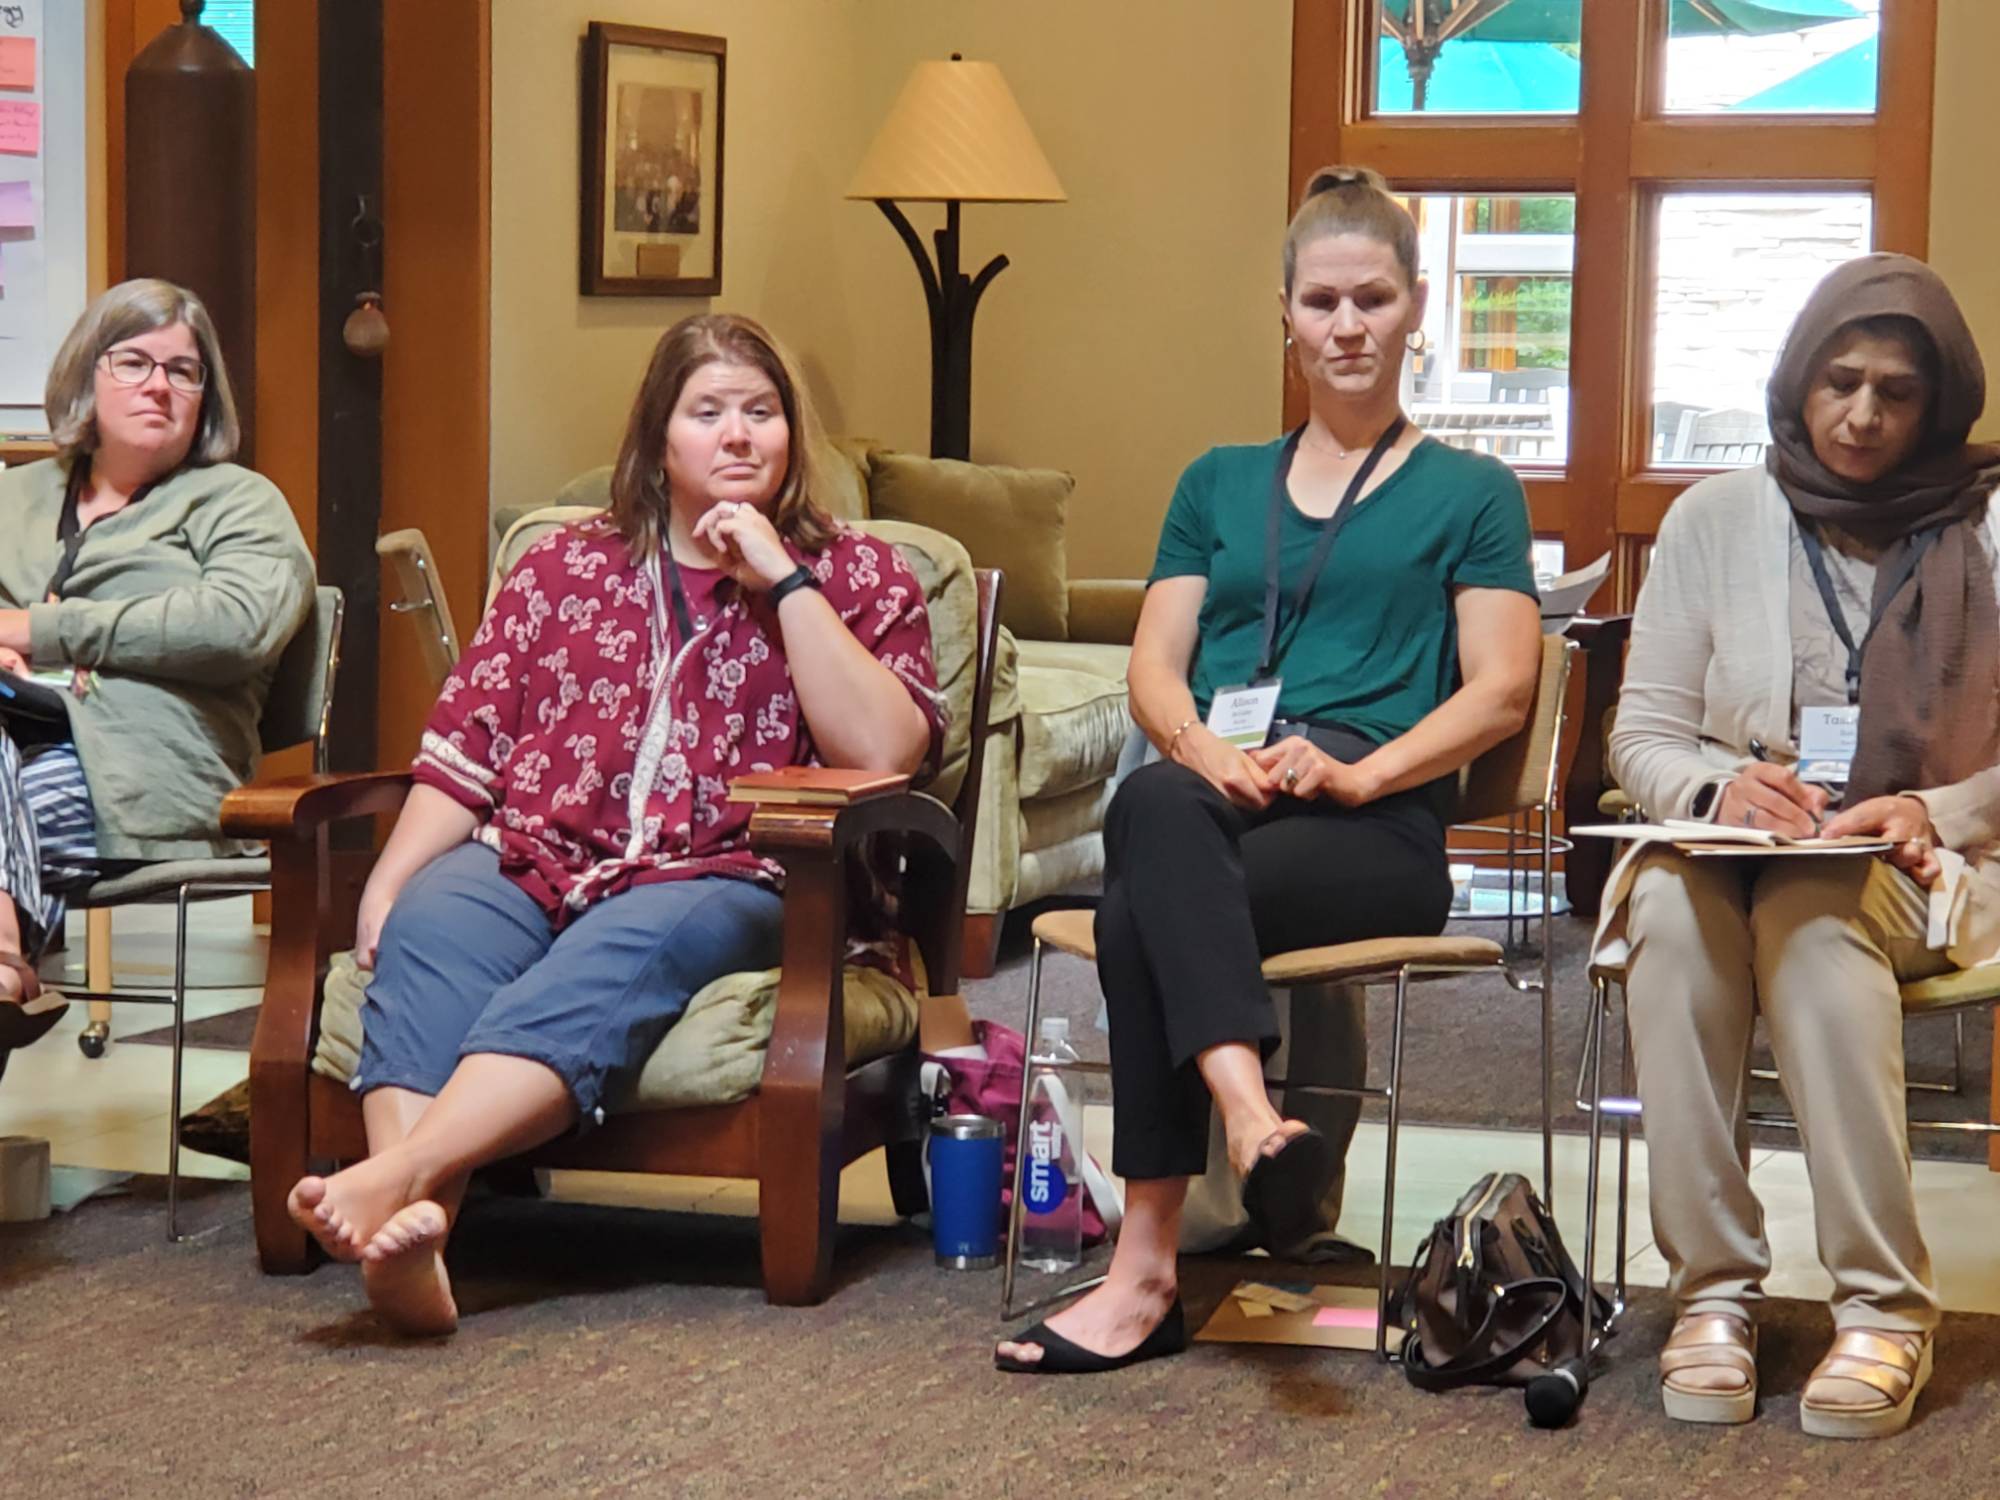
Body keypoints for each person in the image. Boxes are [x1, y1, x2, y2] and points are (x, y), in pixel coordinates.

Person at [286, 313, 946, 1336]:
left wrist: (781, 578)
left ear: (792, 433)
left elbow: (884, 750)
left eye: (761, 412)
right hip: (535, 854)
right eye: (708, 412)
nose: (738, 435)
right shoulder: (562, 569)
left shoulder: (859, 574)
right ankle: (416, 1246)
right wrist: (390, 879)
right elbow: (465, 745)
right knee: (431, 924)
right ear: (657, 437)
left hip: (736, 874)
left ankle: (399, 1177)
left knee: (620, 950)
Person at [996, 166, 1541, 1374]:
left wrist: (1359, 775)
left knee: (1140, 900)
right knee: (1158, 804)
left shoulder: (1472, 493)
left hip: (1374, 828)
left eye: (1372, 299)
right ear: (1282, 315)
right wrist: (1202, 746)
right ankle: (1250, 1119)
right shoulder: (1215, 482)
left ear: (1415, 308)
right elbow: (1154, 666)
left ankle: (1145, 1271)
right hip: (1215, 797)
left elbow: (1501, 690)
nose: (1346, 326)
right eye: (1321, 301)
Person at [1598, 253, 2000, 1438]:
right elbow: (1642, 734)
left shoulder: (1989, 525)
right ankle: (1710, 1291)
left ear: (1938, 404)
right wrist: (1720, 789)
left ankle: (1883, 1306)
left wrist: (1934, 811)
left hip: (1932, 870)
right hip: (1731, 859)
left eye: (1894, 393)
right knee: (1663, 905)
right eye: (1838, 383)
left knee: (1810, 916)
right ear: (1794, 383)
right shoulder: (1713, 519)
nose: (1861, 415)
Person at [0, 279, 312, 1081]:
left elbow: (238, 623)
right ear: (86, 374)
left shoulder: (238, 503)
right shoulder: (15, 496)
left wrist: (40, 631)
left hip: (145, 774)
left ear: (206, 396)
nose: (158, 385)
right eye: (134, 361)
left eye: (183, 370)